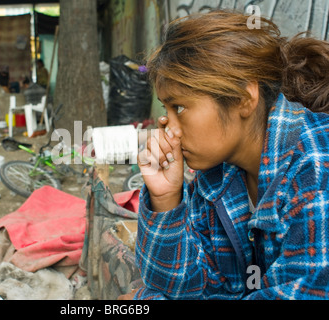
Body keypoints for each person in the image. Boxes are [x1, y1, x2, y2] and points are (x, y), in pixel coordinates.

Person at [131, 10, 329, 300]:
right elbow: (181, 288)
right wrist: (165, 200)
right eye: (166, 110)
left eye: (180, 108)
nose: (169, 131)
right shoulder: (218, 176)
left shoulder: (316, 170)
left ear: (243, 99)